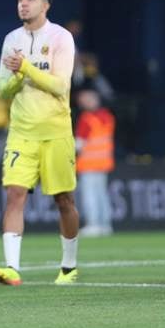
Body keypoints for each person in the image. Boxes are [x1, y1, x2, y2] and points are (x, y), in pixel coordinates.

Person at [0, 0, 80, 286]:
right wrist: (17, 76)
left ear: (45, 5)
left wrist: (25, 68)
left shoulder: (61, 37)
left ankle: (69, 266)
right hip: (21, 132)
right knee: (14, 194)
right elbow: (2, 89)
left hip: (55, 131)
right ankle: (11, 267)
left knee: (63, 200)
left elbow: (60, 85)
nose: (23, 3)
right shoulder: (11, 39)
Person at [74, 87, 115, 237]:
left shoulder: (87, 119)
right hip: (103, 163)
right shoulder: (107, 116)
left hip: (89, 163)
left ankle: (93, 224)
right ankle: (105, 224)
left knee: (90, 195)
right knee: (102, 195)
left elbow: (79, 143)